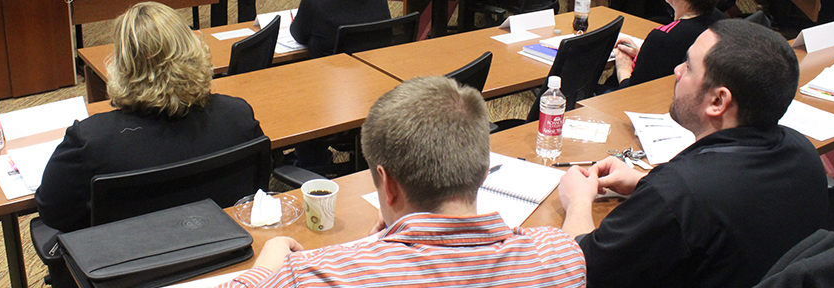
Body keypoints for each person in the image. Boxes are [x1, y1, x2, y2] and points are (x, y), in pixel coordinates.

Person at [219, 77, 586, 288]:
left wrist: (271, 260)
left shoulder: (311, 276)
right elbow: (574, 244)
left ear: (387, 184)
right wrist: (580, 203)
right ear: (484, 169)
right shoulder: (561, 258)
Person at [558, 20, 829, 288]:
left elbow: (581, 269)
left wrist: (578, 201)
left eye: (688, 66)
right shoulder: (803, 154)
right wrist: (644, 185)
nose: (677, 70)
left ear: (718, 101)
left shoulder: (679, 192)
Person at [36, 1, 263, 233]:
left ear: (123, 65)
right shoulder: (238, 116)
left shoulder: (89, 142)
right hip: (227, 251)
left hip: (128, 263)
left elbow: (53, 212)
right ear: (194, 50)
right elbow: (257, 189)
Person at [612, 0, 726, 88]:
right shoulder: (721, 20)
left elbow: (632, 92)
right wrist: (644, 56)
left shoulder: (663, 38)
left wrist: (623, 67)